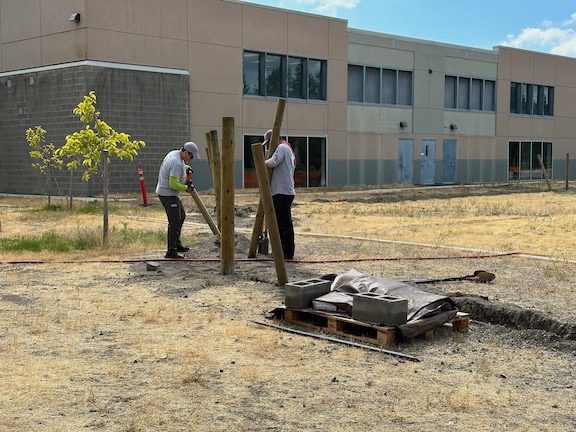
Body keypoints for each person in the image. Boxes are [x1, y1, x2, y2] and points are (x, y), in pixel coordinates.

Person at [155, 141, 201, 259]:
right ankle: (171, 251)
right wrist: (187, 188)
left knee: (181, 215)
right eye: (190, 156)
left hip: (168, 192)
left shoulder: (175, 154)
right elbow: (173, 184)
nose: (191, 159)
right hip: (168, 194)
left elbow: (178, 167)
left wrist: (186, 168)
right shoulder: (176, 163)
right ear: (185, 152)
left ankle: (177, 244)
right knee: (174, 222)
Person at [263, 129, 296, 259]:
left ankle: (286, 252)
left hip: (282, 191)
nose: (268, 146)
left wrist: (260, 161)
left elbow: (273, 162)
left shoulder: (282, 147)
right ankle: (283, 251)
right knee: (282, 222)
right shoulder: (287, 148)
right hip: (283, 190)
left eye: (269, 143)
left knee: (283, 223)